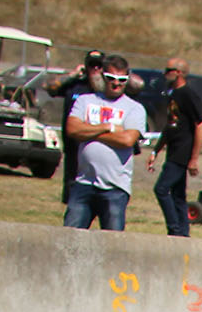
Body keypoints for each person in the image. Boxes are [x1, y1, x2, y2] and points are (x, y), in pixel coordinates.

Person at [63, 57, 148, 232]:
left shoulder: (134, 108)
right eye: (111, 78)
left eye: (122, 79)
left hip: (115, 187)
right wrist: (108, 127)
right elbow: (72, 129)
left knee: (112, 240)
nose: (116, 83)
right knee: (70, 236)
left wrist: (88, 131)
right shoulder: (85, 101)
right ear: (103, 76)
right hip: (84, 182)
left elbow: (127, 140)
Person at [49, 51, 143, 206]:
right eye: (92, 65)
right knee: (74, 205)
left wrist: (114, 74)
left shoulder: (114, 86)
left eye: (99, 65)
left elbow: (138, 85)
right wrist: (72, 74)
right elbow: (50, 87)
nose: (95, 69)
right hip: (75, 151)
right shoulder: (77, 86)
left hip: (112, 163)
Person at [146, 58, 202, 238]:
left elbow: (200, 126)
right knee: (178, 196)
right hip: (173, 149)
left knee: (161, 189)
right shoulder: (173, 94)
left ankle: (174, 229)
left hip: (182, 151)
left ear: (178, 73)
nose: (165, 73)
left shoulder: (188, 95)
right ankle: (183, 234)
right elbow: (170, 126)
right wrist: (156, 150)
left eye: (168, 70)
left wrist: (194, 158)